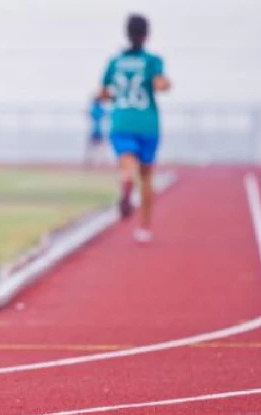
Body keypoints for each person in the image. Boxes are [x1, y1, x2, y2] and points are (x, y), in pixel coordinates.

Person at [99, 14, 171, 243]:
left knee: (126, 159)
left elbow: (104, 93)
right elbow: (160, 84)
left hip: (122, 120)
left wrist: (111, 95)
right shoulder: (152, 61)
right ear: (146, 35)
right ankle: (144, 228)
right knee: (147, 176)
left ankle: (126, 183)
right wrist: (164, 83)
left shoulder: (115, 62)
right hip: (147, 122)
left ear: (127, 33)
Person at [84, 96, 108, 168]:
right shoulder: (99, 109)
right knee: (98, 147)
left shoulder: (95, 109)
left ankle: (93, 161)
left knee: (92, 147)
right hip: (97, 130)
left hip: (96, 131)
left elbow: (88, 114)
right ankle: (98, 162)